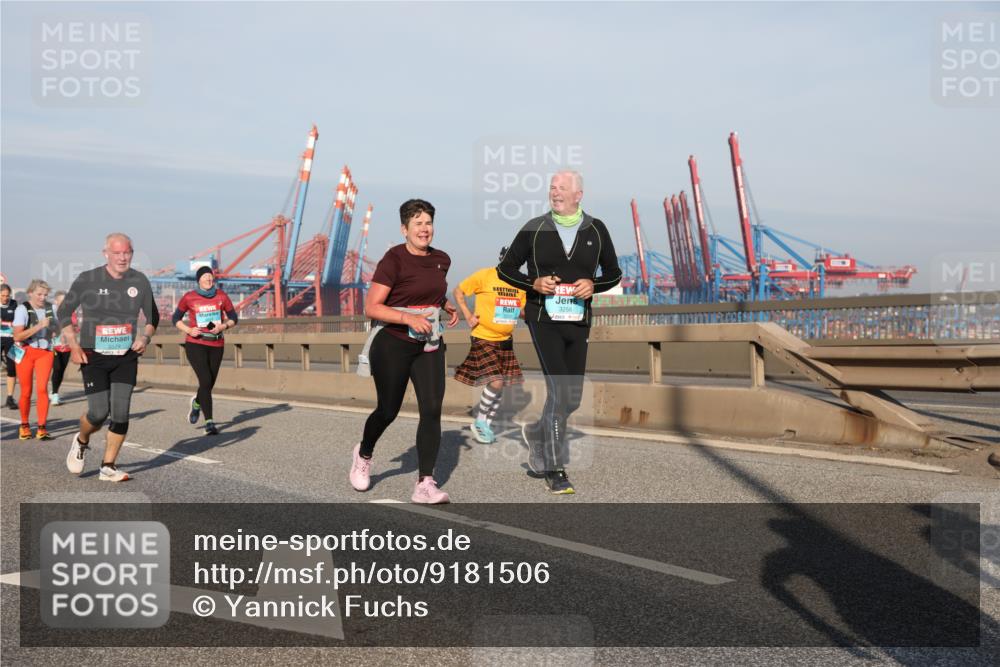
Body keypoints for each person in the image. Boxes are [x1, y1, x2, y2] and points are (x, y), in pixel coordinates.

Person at [497, 170, 622, 494]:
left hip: (578, 321)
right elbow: (506, 268)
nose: (555, 192)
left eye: (562, 188)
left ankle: (538, 432)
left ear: (578, 194)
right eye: (552, 187)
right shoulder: (534, 229)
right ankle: (555, 467)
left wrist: (593, 285)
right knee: (559, 390)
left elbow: (614, 273)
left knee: (573, 397)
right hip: (543, 319)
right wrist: (533, 283)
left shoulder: (596, 229)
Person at [350, 199, 459, 504]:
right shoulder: (393, 260)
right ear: (404, 229)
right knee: (388, 410)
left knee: (432, 409)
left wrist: (444, 304)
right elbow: (371, 306)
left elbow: (430, 290)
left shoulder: (442, 259)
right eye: (418, 224)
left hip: (429, 343)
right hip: (393, 343)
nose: (425, 229)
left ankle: (425, 484)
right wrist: (408, 317)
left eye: (428, 223)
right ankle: (364, 453)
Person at [57, 232, 159, 482]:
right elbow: (63, 312)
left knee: (121, 412)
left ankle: (108, 466)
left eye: (127, 252)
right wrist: (73, 345)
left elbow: (153, 317)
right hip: (94, 354)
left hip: (125, 355)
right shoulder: (87, 279)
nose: (123, 257)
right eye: (117, 253)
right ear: (106, 253)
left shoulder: (140, 281)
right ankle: (81, 440)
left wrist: (144, 338)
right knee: (98, 413)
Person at [452, 249, 527, 444]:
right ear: (501, 260)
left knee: (501, 386)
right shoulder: (485, 275)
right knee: (496, 382)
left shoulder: (521, 284)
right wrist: (467, 315)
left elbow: (522, 311)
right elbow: (458, 291)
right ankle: (479, 421)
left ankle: (486, 424)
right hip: (483, 336)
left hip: (506, 339)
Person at [172, 266, 238, 436]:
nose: (208, 279)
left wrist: (223, 326)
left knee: (208, 384)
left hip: (217, 344)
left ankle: (196, 404)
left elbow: (234, 318)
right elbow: (175, 318)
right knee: (206, 379)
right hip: (196, 343)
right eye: (205, 277)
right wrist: (188, 330)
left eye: (211, 276)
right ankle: (209, 422)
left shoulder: (221, 296)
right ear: (199, 280)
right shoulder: (189, 297)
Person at [11, 280, 58, 440]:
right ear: (30, 293)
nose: (42, 298)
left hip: (45, 352)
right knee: (26, 391)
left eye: (45, 295)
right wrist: (39, 326)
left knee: (43, 389)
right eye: (39, 294)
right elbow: (17, 335)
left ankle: (41, 428)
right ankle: (24, 425)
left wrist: (55, 331)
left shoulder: (51, 309)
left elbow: (57, 328)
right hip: (25, 352)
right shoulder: (22, 309)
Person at [49, 291, 71, 406]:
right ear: (56, 301)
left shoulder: (70, 311)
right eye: (61, 301)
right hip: (54, 345)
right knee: (57, 368)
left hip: (67, 346)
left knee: (61, 370)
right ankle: (55, 395)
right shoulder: (50, 311)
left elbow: (75, 327)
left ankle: (53, 391)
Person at [1, 284, 18, 410]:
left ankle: (10, 397)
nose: (5, 298)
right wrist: (8, 323)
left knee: (12, 369)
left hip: (11, 340)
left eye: (7, 295)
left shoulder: (14, 304)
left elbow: (17, 322)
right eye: (2, 295)